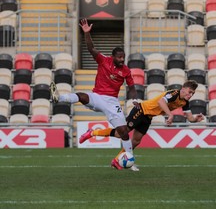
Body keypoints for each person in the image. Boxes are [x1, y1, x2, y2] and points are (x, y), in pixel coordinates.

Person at [50, 18, 137, 168]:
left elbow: (132, 87)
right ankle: (60, 98)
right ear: (113, 57)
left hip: (112, 102)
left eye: (123, 57)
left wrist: (136, 100)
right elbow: (91, 48)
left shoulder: (126, 70)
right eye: (119, 57)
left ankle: (131, 161)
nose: (122, 60)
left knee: (124, 132)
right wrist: (87, 33)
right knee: (82, 96)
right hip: (97, 96)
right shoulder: (104, 60)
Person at [79, 80, 205, 171]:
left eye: (192, 93)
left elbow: (189, 117)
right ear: (183, 88)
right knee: (120, 133)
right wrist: (169, 115)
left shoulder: (185, 102)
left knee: (136, 141)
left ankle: (117, 160)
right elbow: (162, 101)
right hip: (141, 110)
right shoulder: (174, 94)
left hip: (148, 117)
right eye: (189, 92)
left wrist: (195, 119)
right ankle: (92, 133)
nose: (190, 95)